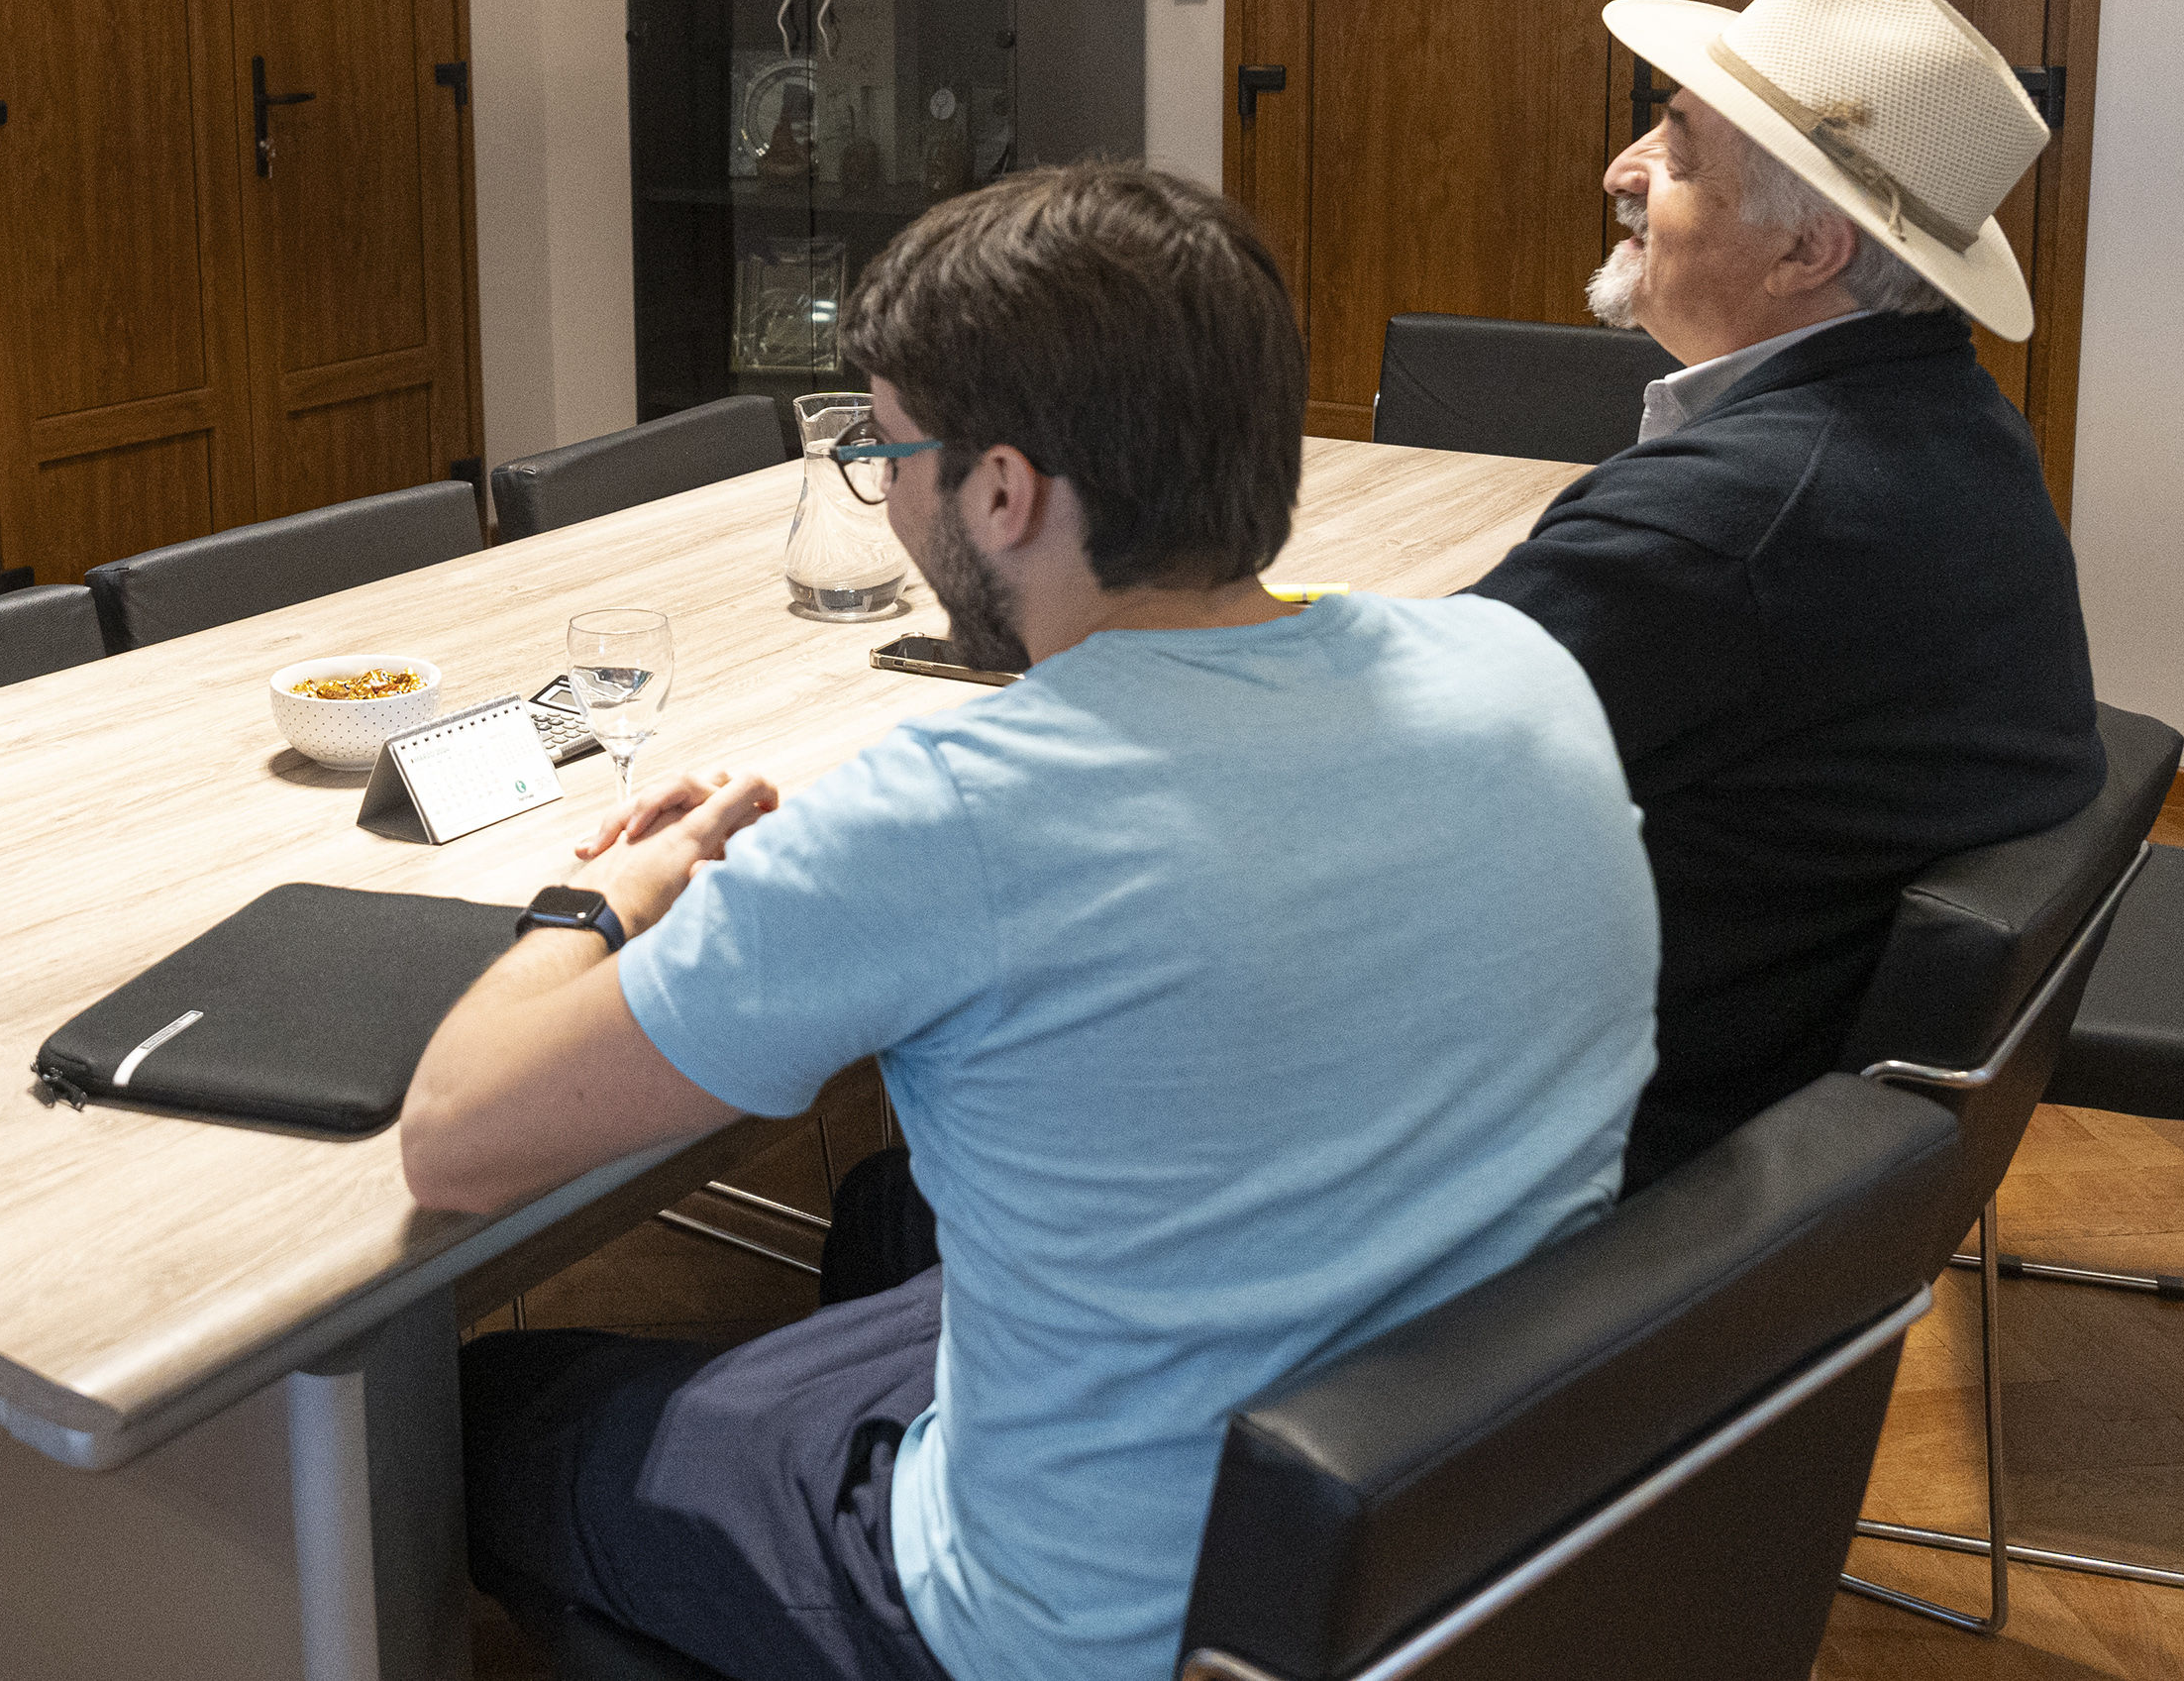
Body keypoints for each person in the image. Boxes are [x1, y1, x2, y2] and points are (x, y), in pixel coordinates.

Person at [401, 165, 1656, 1681]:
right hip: (1450, 1531)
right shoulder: (1520, 666)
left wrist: (603, 898)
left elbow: (456, 1132)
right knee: (892, 1237)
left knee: (492, 1411)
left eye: (890, 451)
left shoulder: (957, 812)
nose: (890, 488)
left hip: (1081, 1626)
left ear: (1003, 489)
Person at [1465, 0, 2104, 1183]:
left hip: (1584, 1145)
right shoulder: (1960, 430)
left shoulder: (1722, 533)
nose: (1622, 171)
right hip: (1765, 1121)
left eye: (1677, 148)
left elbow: (1359, 787)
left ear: (1806, 252)